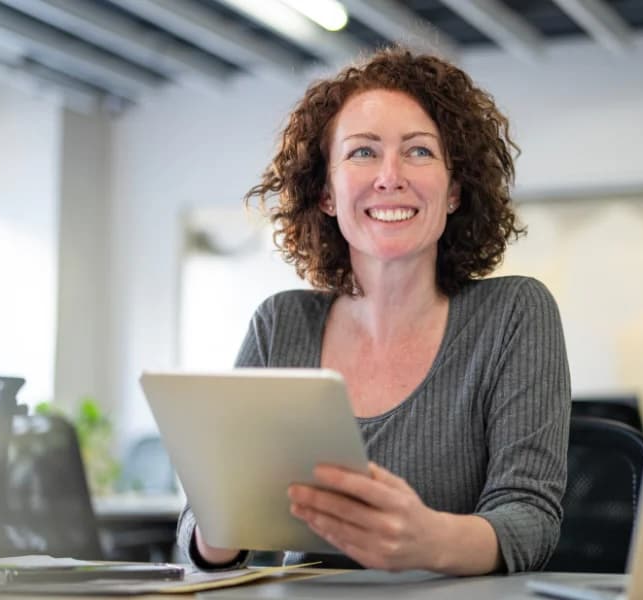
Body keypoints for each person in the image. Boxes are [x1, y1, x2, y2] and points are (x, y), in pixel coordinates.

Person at [175, 47, 570, 576]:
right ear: (326, 194)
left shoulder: (515, 313)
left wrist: (428, 540)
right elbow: (201, 535)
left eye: (420, 152)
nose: (390, 176)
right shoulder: (279, 326)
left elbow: (532, 518)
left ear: (454, 190)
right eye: (362, 152)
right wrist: (218, 523)